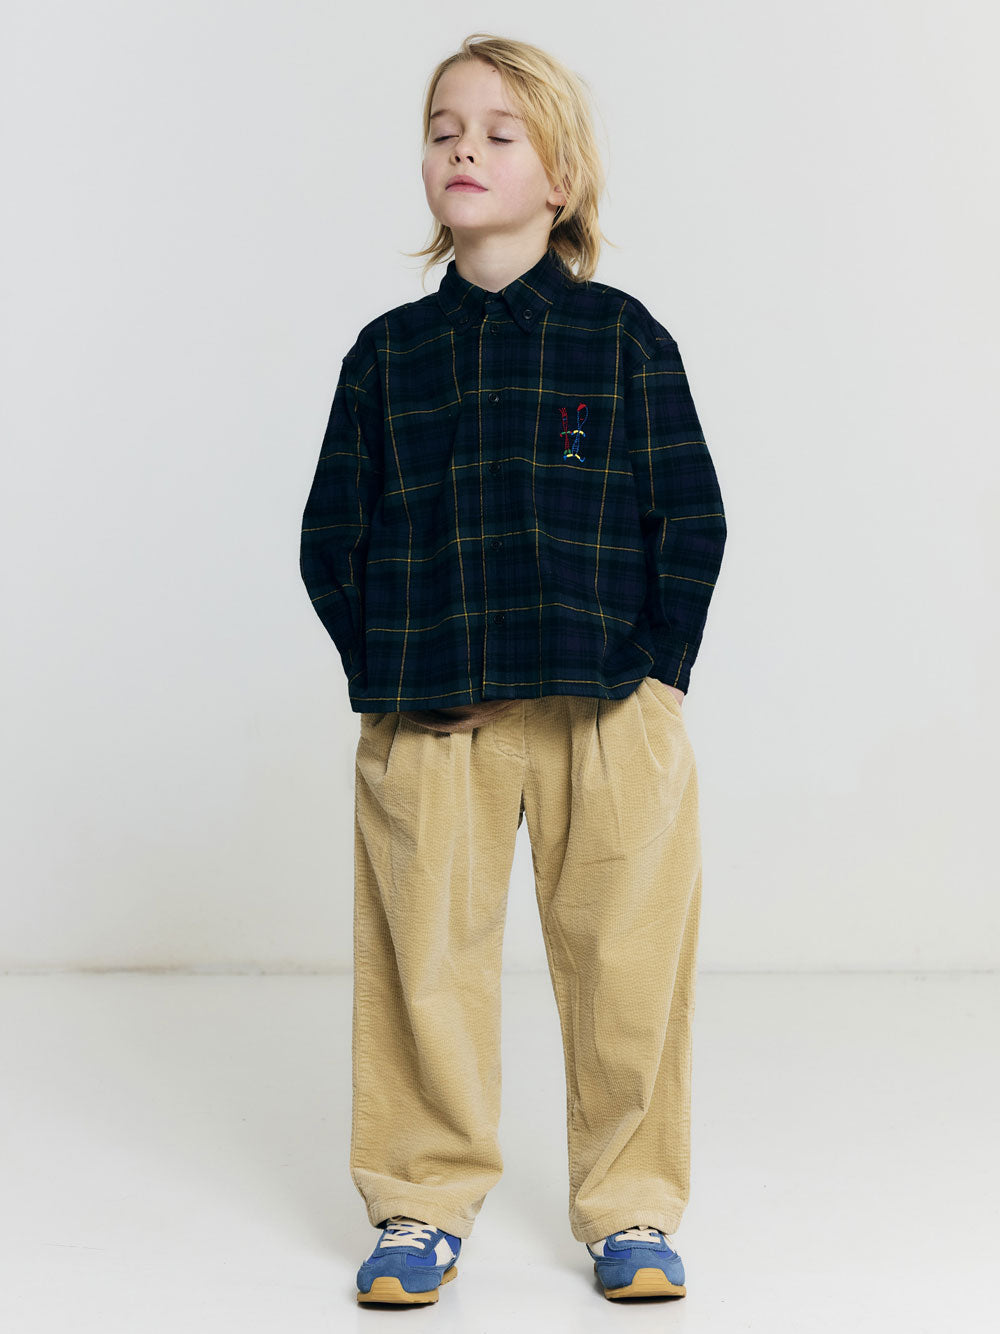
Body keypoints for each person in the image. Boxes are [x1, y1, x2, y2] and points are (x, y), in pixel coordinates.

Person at [299, 33, 727, 1306]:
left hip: (606, 712)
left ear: (560, 177)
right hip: (435, 721)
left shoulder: (620, 339)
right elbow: (331, 537)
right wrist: (394, 678)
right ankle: (419, 1200)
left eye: (499, 132)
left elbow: (690, 516)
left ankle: (631, 1206)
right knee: (422, 965)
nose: (464, 149)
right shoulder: (388, 356)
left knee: (627, 967)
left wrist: (655, 676)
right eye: (444, 130)